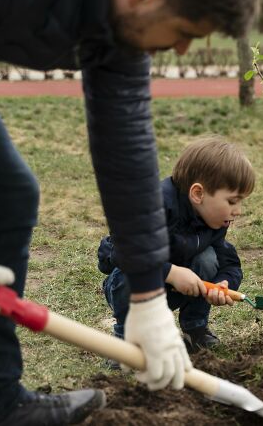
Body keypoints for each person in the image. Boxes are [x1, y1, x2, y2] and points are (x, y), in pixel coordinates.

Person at [0, 0, 256, 424]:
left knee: (4, 200)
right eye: (185, 30)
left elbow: (126, 153)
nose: (182, 46)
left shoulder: (122, 28)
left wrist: (151, 296)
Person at [98, 137, 254, 356]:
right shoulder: (154, 206)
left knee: (208, 259)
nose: (238, 210)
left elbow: (228, 261)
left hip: (176, 290)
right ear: (198, 193)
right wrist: (171, 273)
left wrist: (222, 283)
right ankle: (127, 342)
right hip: (132, 287)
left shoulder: (213, 220)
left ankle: (195, 329)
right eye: (232, 201)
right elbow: (125, 252)